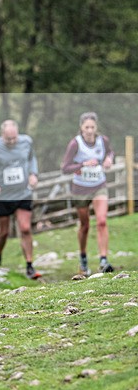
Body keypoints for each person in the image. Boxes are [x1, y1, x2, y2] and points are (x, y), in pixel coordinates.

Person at [0, 119, 42, 280]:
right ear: (2, 136)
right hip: (3, 196)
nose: (12, 142)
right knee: (4, 232)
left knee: (25, 228)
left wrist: (34, 174)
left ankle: (29, 265)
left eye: (14, 139)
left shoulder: (26, 141)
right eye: (9, 140)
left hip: (23, 192)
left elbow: (32, 158)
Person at [61, 112, 116, 275]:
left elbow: (110, 152)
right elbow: (65, 168)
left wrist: (109, 159)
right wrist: (83, 164)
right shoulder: (75, 144)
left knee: (101, 221)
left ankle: (103, 260)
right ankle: (83, 258)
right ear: (81, 128)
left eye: (92, 127)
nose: (90, 130)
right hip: (80, 189)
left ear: (96, 127)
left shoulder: (103, 140)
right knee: (85, 225)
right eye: (87, 127)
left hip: (99, 185)